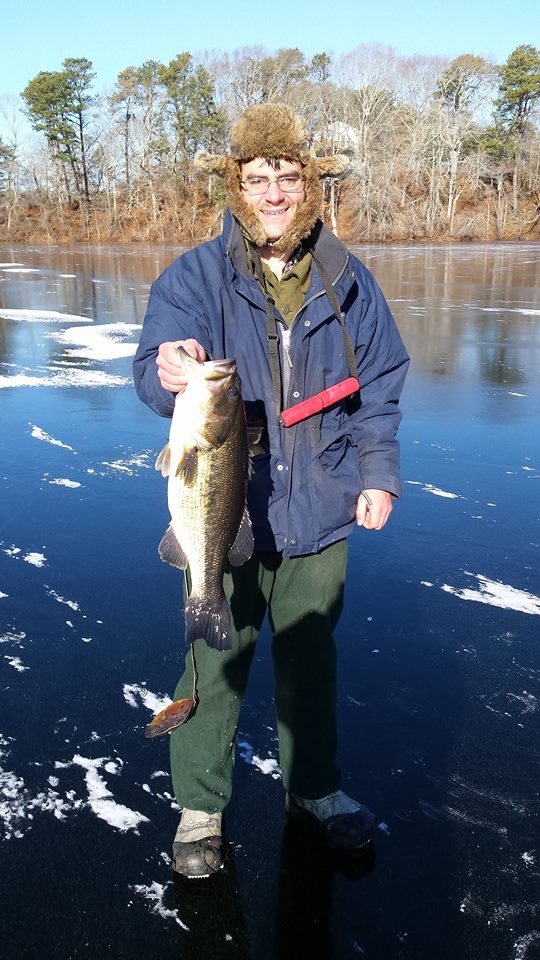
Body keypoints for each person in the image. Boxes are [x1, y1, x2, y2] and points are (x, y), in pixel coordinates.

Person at [133, 103, 409, 879]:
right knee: (211, 663)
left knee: (310, 661)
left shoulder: (346, 278)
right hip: (227, 509)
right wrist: (171, 367)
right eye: (258, 179)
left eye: (288, 177)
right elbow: (158, 364)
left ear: (308, 184)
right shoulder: (196, 275)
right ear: (237, 185)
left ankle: (315, 793)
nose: (275, 193)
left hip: (323, 505)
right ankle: (200, 806)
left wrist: (378, 473)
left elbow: (380, 385)